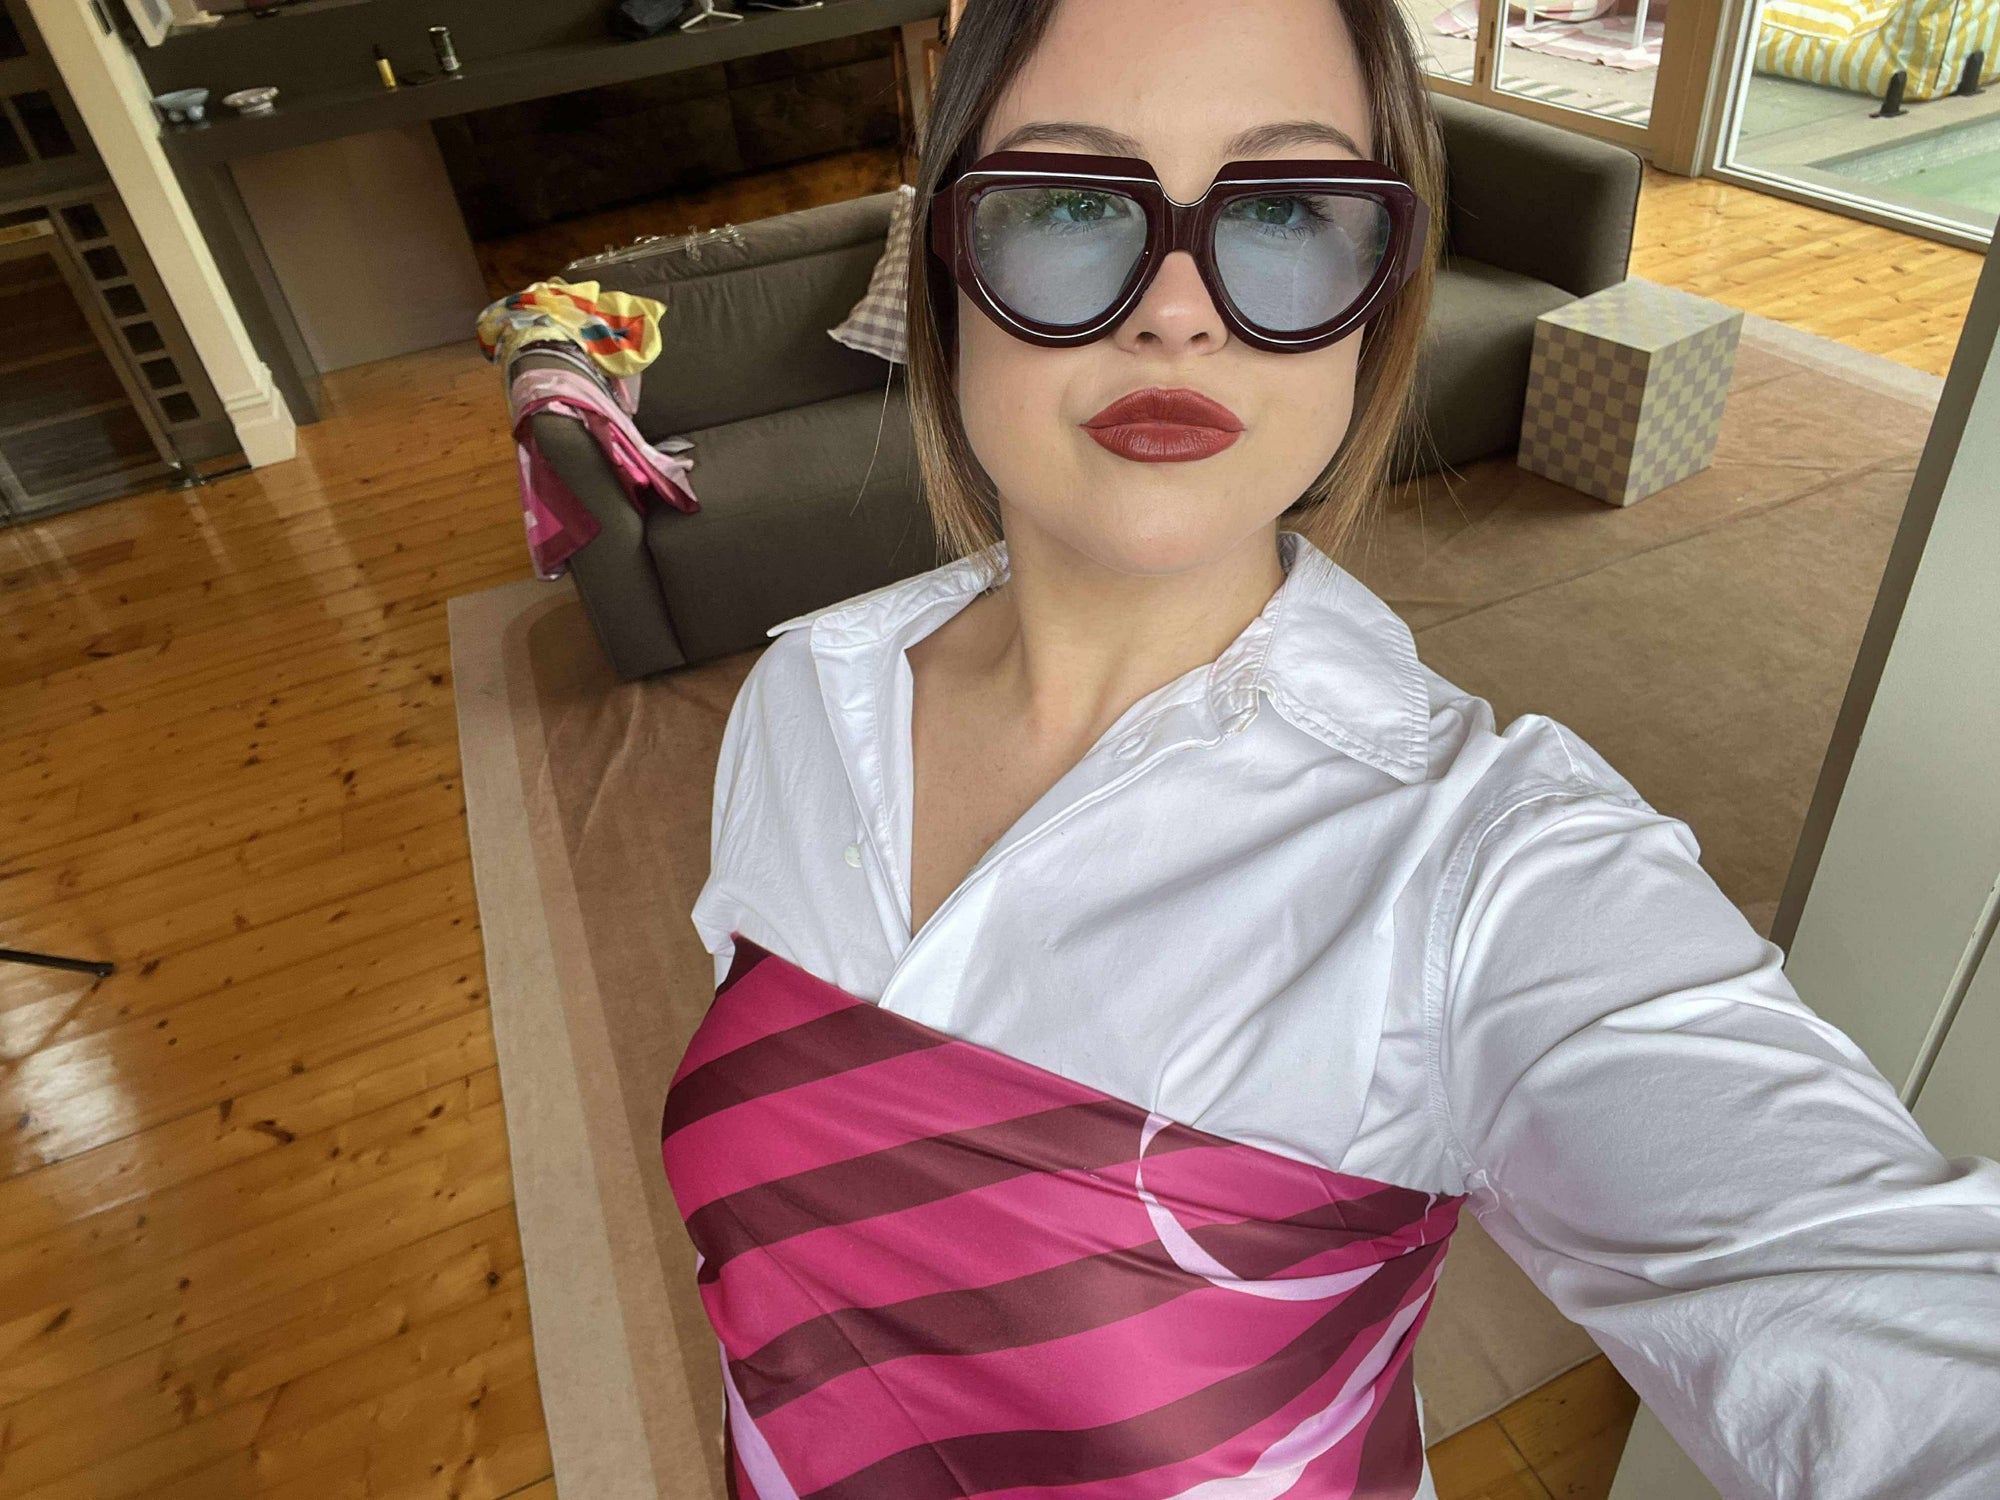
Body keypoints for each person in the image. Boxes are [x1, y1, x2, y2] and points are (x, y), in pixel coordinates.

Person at [661, 0, 2000, 1495]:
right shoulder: (808, 694)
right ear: (949, 265)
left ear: (1379, 294)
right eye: (1076, 203)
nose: (1179, 314)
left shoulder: (1489, 874)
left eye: (1287, 208)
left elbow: (1883, 1327)